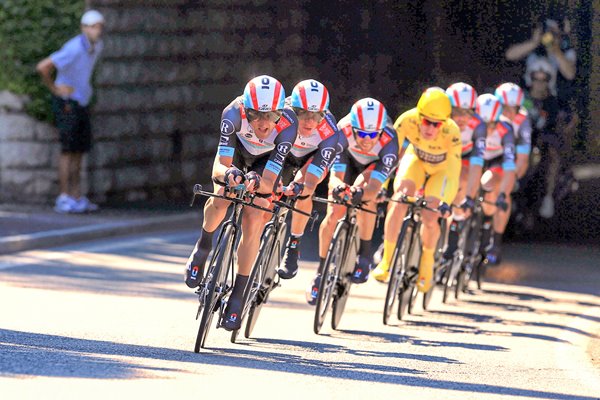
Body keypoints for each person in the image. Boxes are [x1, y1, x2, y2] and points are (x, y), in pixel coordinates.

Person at [184, 75, 298, 331]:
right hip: (237, 152)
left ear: (281, 112)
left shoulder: (289, 125)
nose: (263, 123)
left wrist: (257, 182)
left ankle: (240, 291)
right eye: (255, 114)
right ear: (245, 109)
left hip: (264, 163)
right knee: (223, 196)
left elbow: (269, 179)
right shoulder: (232, 113)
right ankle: (203, 248)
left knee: (253, 218)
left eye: (271, 115)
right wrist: (228, 175)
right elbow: (219, 166)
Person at [306, 98, 399, 304]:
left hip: (372, 167)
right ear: (353, 128)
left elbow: (374, 188)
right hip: (347, 159)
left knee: (367, 198)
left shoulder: (390, 140)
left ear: (381, 131)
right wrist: (338, 188)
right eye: (362, 133)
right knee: (334, 213)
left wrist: (360, 194)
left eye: (373, 134)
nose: (367, 139)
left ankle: (364, 256)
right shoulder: (343, 130)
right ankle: (320, 272)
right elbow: (335, 176)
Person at [372, 88, 460, 292]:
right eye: (426, 121)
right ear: (418, 115)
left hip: (441, 170)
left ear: (444, 123)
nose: (429, 127)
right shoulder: (407, 120)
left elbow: (454, 172)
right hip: (416, 161)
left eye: (436, 124)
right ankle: (386, 261)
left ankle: (427, 262)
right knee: (400, 197)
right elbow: (388, 155)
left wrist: (446, 201)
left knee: (430, 216)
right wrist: (382, 187)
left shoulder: (452, 132)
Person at [36, 10, 105, 214]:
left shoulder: (97, 47)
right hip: (67, 102)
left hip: (81, 101)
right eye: (92, 27)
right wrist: (56, 89)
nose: (96, 31)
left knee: (79, 150)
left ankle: (76, 196)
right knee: (68, 150)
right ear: (84, 28)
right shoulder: (74, 48)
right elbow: (43, 67)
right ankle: (64, 197)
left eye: (99, 26)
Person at [275, 79, 340, 280]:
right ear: (292, 108)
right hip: (282, 152)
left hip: (309, 159)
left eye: (317, 116)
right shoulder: (280, 114)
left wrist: (302, 186)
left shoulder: (329, 129)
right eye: (302, 113)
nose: (310, 122)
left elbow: (312, 179)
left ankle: (294, 244)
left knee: (304, 191)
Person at [462, 94, 517, 266]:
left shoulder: (505, 129)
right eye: (484, 124)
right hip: (472, 157)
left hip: (495, 160)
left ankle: (495, 239)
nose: (488, 129)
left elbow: (509, 168)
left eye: (492, 124)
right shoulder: (466, 124)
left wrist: (503, 194)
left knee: (490, 183)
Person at [439, 82, 486, 263]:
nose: (462, 117)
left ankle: (456, 224)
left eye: (468, 112)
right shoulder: (439, 117)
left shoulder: (479, 126)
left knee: (463, 178)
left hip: (464, 156)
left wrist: (470, 197)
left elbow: (476, 165)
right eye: (457, 111)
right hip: (438, 153)